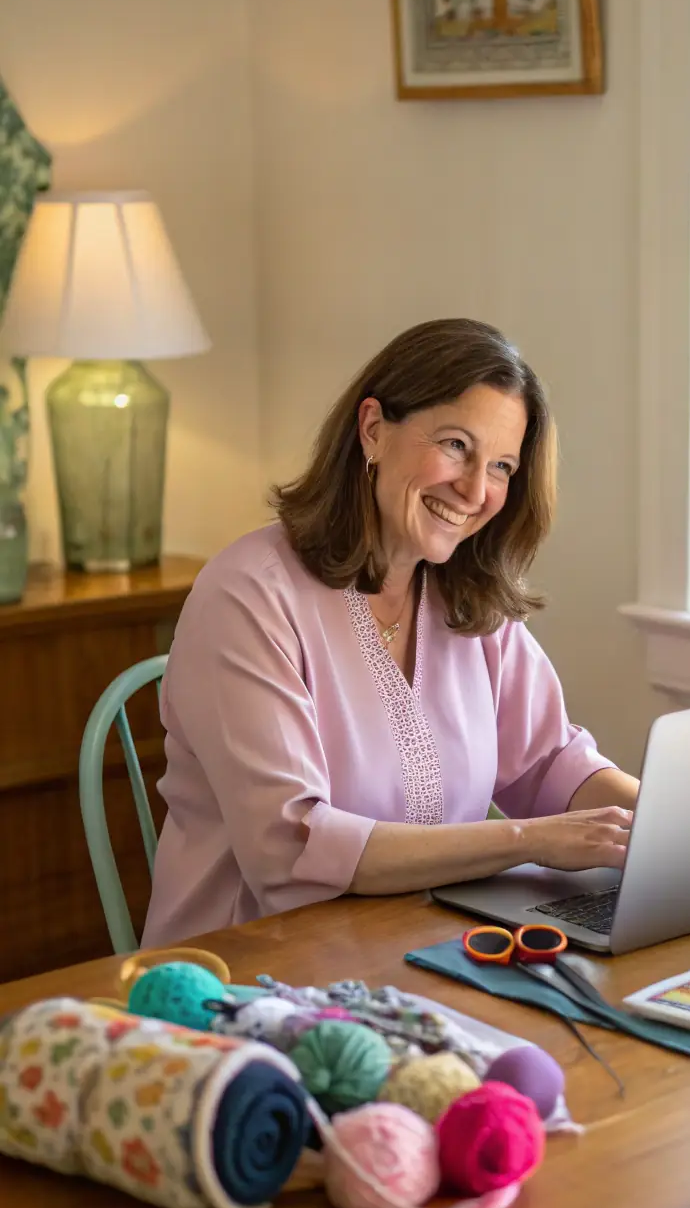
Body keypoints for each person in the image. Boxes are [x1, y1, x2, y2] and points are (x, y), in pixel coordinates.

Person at [142, 318, 639, 947]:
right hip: (250, 976)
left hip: (429, 948)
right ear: (373, 428)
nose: (475, 489)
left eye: (502, 466)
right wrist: (530, 841)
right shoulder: (248, 595)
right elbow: (292, 847)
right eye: (457, 445)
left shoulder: (468, 597)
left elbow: (550, 763)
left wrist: (667, 818)